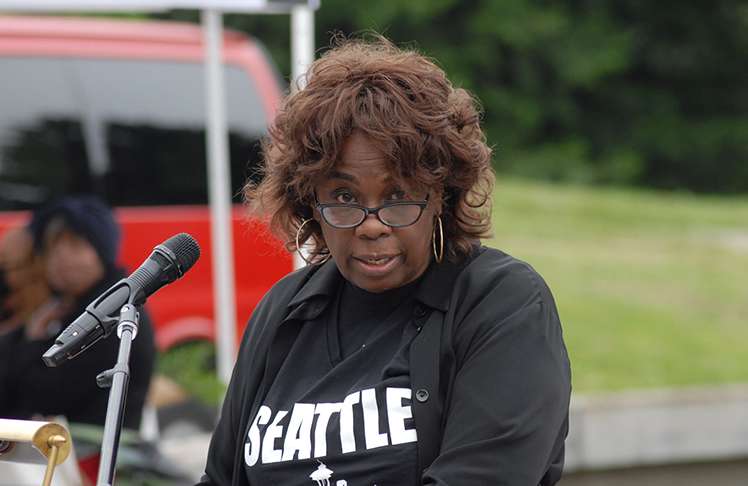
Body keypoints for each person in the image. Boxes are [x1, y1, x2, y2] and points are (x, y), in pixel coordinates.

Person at [199, 37, 571, 486]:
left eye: (397, 195)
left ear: (440, 194)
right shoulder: (285, 311)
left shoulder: (500, 304)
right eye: (344, 196)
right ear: (309, 202)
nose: (371, 225)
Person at [0, 196, 156, 430]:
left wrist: (32, 342)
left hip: (99, 444)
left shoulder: (112, 310)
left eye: (75, 245)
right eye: (53, 248)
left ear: (102, 252)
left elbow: (46, 394)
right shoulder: (66, 304)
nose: (61, 257)